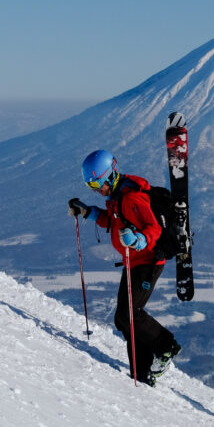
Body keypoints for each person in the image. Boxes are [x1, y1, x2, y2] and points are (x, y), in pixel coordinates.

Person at [67, 149, 181, 385]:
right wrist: (87, 211)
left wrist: (139, 240)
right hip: (134, 261)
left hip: (148, 261)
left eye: (96, 183)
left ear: (109, 175)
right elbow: (112, 221)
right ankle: (141, 371)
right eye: (91, 186)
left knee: (130, 314)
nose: (96, 190)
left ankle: (166, 346)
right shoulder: (117, 197)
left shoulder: (131, 197)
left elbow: (153, 228)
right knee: (123, 318)